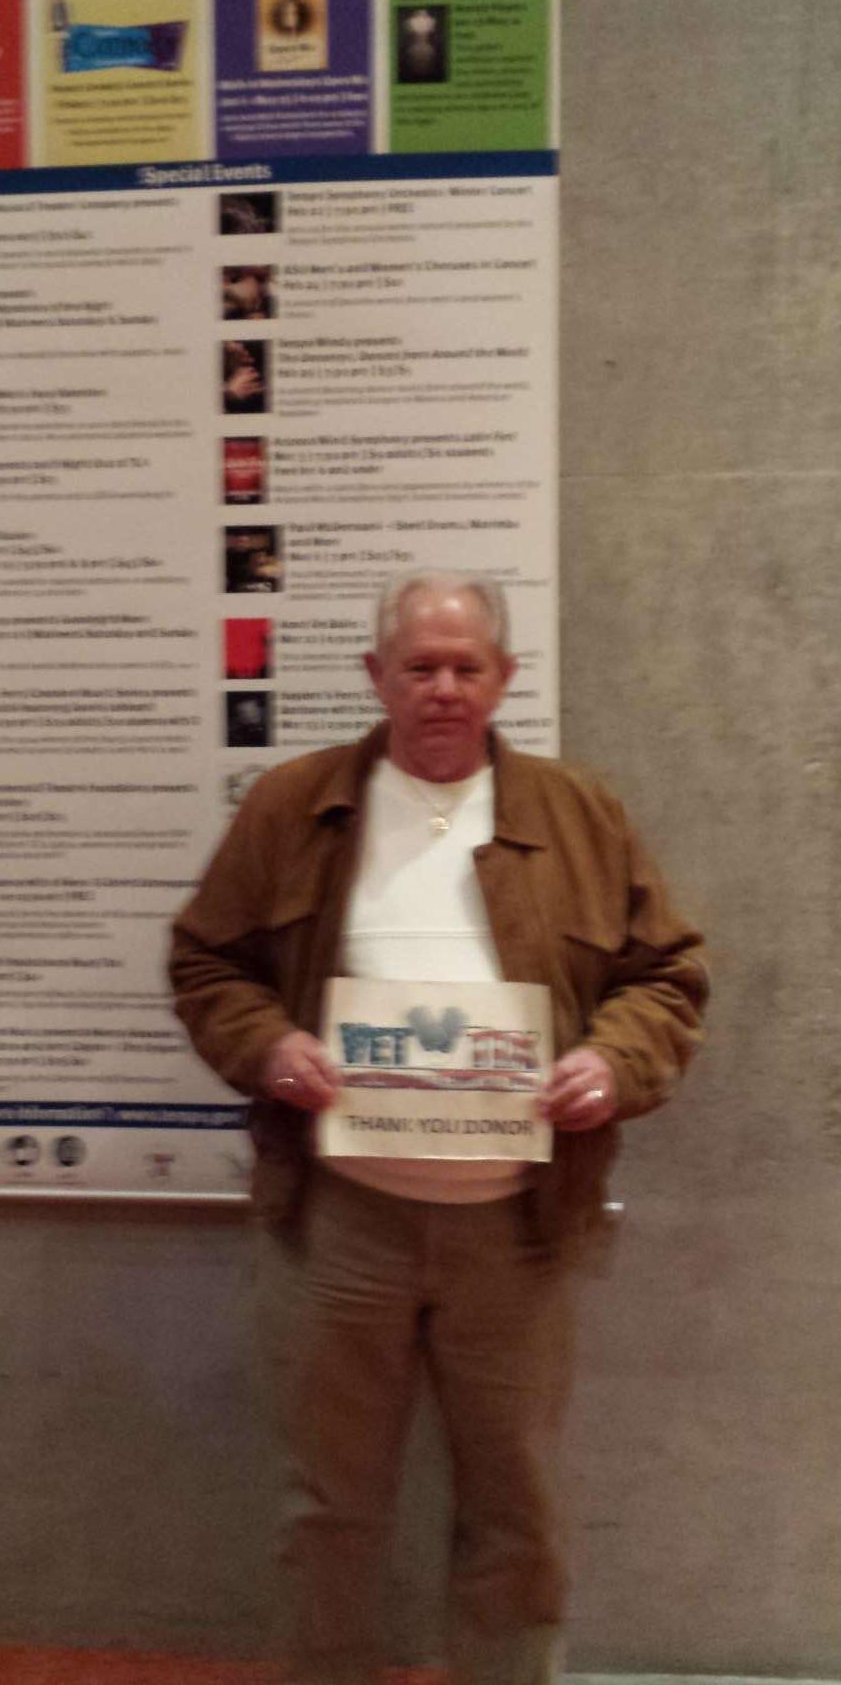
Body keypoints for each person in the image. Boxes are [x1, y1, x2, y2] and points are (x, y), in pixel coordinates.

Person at [169, 571, 707, 1685]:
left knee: (517, 1506)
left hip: (518, 1230)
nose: (444, 688)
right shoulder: (293, 806)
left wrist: (611, 1063)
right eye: (420, 666)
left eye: (467, 666)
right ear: (378, 677)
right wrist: (268, 1045)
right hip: (340, 1224)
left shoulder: (582, 813)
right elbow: (207, 960)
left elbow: (666, 975)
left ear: (504, 677)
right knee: (330, 1504)